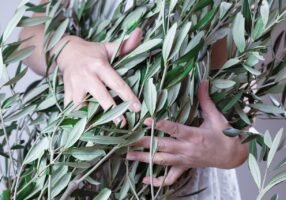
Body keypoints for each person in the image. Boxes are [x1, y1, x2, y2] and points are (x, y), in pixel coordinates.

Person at [20, 0, 248, 199]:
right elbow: (29, 37)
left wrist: (233, 153)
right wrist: (67, 50)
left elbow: (236, 86)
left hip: (165, 182)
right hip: (68, 158)